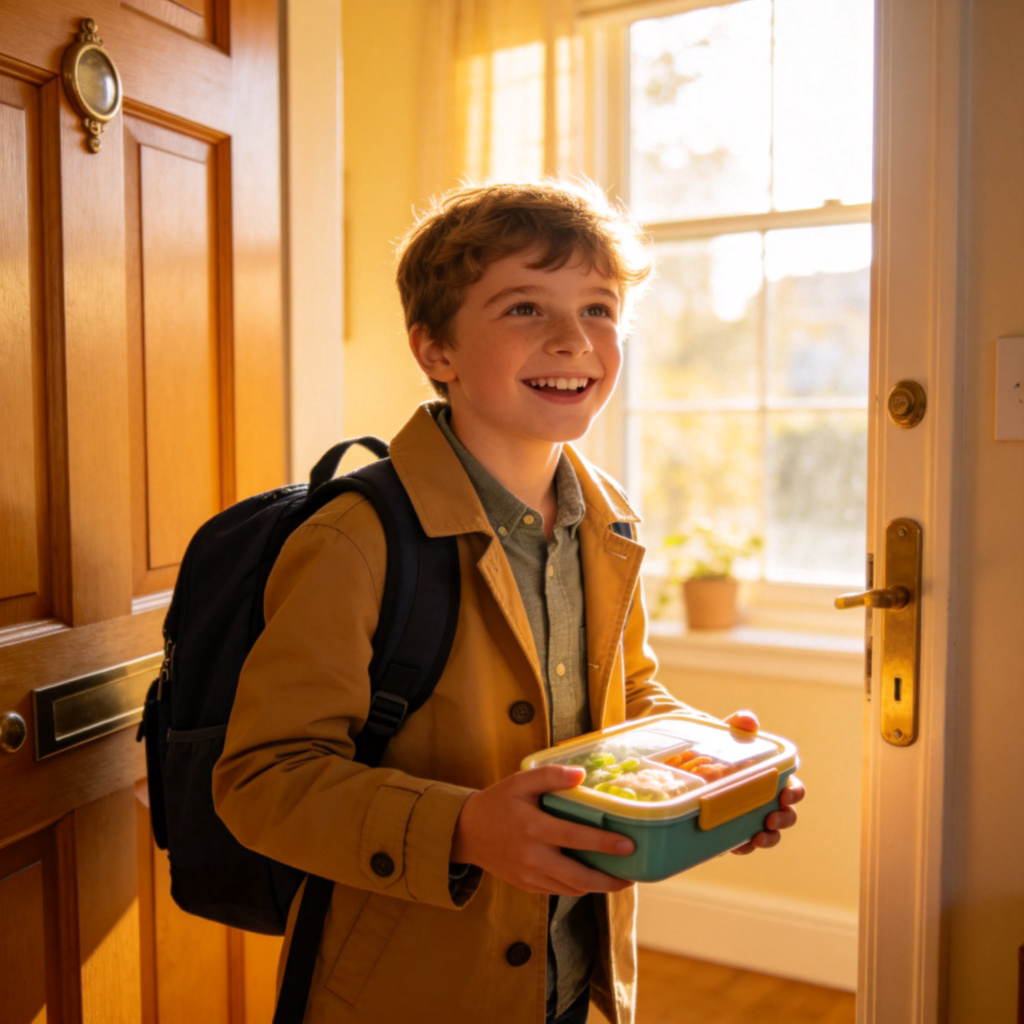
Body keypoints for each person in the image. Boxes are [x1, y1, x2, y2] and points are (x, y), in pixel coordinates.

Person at [213, 179, 804, 1024]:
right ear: (436, 351)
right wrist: (465, 829)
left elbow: (627, 698)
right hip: (404, 988)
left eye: (599, 309)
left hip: (570, 971)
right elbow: (262, 781)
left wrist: (711, 771)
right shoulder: (358, 539)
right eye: (526, 308)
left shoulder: (608, 519)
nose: (574, 340)